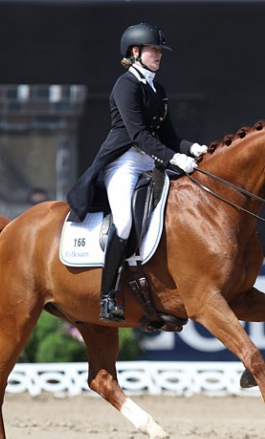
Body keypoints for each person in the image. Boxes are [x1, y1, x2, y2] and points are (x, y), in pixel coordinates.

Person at [66, 22, 207, 323]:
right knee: (126, 222)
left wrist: (192, 147)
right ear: (135, 52)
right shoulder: (125, 85)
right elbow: (139, 135)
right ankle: (108, 296)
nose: (159, 55)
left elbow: (168, 136)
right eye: (153, 50)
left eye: (159, 50)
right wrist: (174, 159)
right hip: (124, 163)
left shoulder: (157, 88)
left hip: (151, 161)